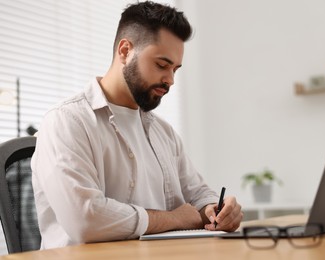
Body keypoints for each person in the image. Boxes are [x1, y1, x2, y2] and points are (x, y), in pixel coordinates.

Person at [31, 1, 243, 249]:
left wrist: (215, 209)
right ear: (125, 50)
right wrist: (174, 218)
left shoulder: (163, 132)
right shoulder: (67, 121)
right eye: (162, 65)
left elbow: (196, 194)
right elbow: (85, 219)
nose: (170, 80)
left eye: (175, 69)